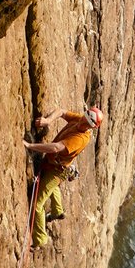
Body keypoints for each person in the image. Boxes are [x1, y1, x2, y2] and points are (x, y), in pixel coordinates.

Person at [24, 106, 104, 249]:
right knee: (49, 187)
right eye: (85, 118)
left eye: (87, 123)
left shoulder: (80, 138)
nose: (83, 122)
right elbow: (61, 111)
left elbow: (56, 148)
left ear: (90, 127)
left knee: (37, 205)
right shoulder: (79, 120)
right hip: (54, 165)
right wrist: (47, 121)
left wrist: (30, 145)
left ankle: (40, 240)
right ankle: (57, 211)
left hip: (57, 171)